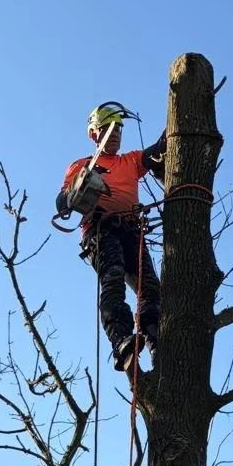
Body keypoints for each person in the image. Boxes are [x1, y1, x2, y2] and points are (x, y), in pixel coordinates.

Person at [56, 102, 165, 372]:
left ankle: (156, 337)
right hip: (101, 229)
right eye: (108, 129)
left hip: (130, 230)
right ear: (95, 134)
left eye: (118, 129)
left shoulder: (130, 161)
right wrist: (77, 192)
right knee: (113, 276)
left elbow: (155, 152)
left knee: (150, 287)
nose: (114, 134)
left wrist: (171, 132)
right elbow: (62, 202)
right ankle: (121, 339)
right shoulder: (83, 166)